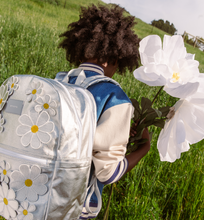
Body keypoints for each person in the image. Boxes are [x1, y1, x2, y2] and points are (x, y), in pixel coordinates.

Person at [58, 4, 150, 219]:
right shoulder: (114, 96)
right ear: (117, 56)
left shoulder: (60, 80)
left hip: (37, 195)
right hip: (72, 207)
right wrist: (142, 149)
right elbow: (107, 173)